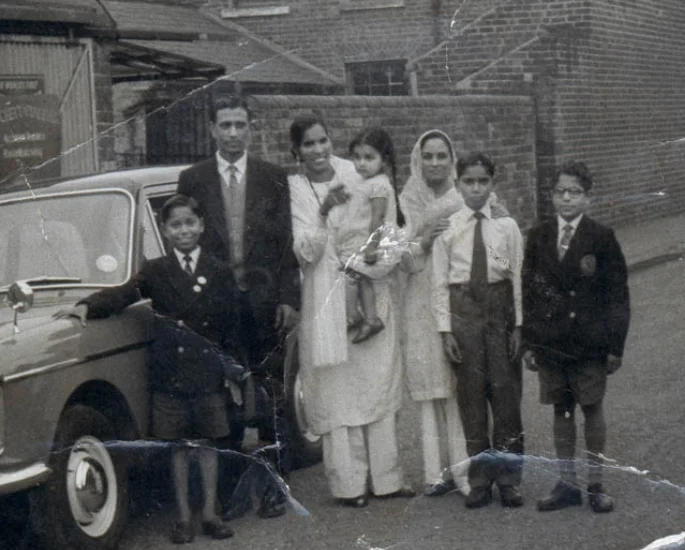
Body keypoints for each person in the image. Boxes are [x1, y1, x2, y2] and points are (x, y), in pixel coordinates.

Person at [55, 195, 237, 544]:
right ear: (165, 232)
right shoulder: (155, 271)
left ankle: (211, 514)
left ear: (200, 226)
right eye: (175, 225)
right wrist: (87, 306)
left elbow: (232, 324)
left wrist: (233, 370)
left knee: (211, 443)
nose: (183, 230)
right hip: (171, 375)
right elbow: (124, 293)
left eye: (189, 223)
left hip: (207, 373)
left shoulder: (218, 270)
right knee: (179, 448)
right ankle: (184, 518)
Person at [177, 95, 298, 516]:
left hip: (265, 302)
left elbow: (285, 243)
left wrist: (288, 297)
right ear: (212, 129)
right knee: (223, 396)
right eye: (225, 125)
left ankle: (272, 488)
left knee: (268, 395)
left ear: (250, 128)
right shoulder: (193, 179)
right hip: (218, 306)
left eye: (239, 125)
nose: (232, 133)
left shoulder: (273, 176)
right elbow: (186, 241)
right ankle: (229, 491)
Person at [288, 114, 414, 507]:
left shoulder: (358, 170)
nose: (318, 150)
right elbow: (304, 249)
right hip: (325, 292)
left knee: (376, 380)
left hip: (369, 280)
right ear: (297, 152)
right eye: (308, 145)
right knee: (337, 390)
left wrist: (370, 263)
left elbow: (389, 221)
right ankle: (348, 485)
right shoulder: (294, 188)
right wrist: (324, 211)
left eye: (323, 140)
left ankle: (387, 479)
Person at [522, 160, 630, 513]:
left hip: (589, 344)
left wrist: (615, 345)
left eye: (575, 192)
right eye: (560, 192)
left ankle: (596, 485)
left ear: (588, 198)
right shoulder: (538, 236)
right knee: (561, 409)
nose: (566, 198)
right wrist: (529, 342)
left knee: (592, 407)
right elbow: (530, 292)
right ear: (552, 196)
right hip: (553, 343)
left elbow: (617, 295)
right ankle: (567, 484)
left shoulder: (601, 238)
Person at [432, 152, 525, 509]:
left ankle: (509, 479)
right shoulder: (449, 228)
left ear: (492, 183)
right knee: (471, 400)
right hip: (463, 312)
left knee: (505, 398)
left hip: (499, 310)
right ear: (457, 184)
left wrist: (519, 325)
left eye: (482, 181)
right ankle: (481, 479)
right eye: (468, 181)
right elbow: (439, 283)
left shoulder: (507, 227)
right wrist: (446, 331)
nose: (475, 188)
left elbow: (515, 275)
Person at [399, 130, 470, 498]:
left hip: (457, 299)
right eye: (428, 156)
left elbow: (493, 245)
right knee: (429, 390)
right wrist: (424, 238)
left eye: (442, 155)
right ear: (418, 159)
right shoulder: (407, 201)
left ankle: (464, 472)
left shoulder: (465, 197)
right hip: (420, 300)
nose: (435, 163)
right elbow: (401, 259)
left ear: (451, 159)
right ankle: (435, 474)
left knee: (457, 389)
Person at [341, 127, 403, 343]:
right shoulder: (365, 182)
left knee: (350, 274)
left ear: (384, 160)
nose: (361, 163)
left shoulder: (379, 185)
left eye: (369, 157)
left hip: (377, 243)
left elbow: (378, 218)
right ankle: (371, 318)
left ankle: (353, 315)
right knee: (362, 278)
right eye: (357, 157)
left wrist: (371, 247)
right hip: (369, 241)